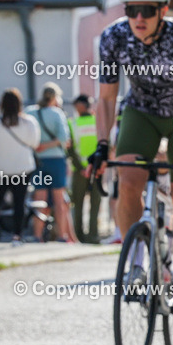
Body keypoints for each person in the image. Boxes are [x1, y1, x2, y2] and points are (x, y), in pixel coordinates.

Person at [91, 0, 173, 328]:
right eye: (131, 9)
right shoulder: (113, 37)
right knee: (126, 178)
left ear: (163, 10)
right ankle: (138, 259)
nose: (138, 18)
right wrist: (102, 144)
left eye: (147, 10)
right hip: (140, 111)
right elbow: (107, 98)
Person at [0, 88, 40, 245]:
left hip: (0, 167)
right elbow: (34, 144)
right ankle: (17, 236)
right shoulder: (29, 123)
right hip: (22, 167)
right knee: (19, 203)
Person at [28, 83, 75, 243]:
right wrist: (47, 145)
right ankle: (62, 236)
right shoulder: (57, 113)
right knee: (59, 200)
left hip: (38, 161)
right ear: (55, 97)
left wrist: (38, 147)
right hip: (56, 160)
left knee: (39, 197)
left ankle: (37, 235)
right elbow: (63, 139)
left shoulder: (30, 112)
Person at [69, 94, 101, 243]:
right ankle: (89, 236)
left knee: (83, 203)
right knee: (91, 204)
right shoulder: (97, 122)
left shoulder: (73, 123)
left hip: (84, 169)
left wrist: (80, 167)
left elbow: (70, 149)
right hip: (93, 169)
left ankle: (85, 236)